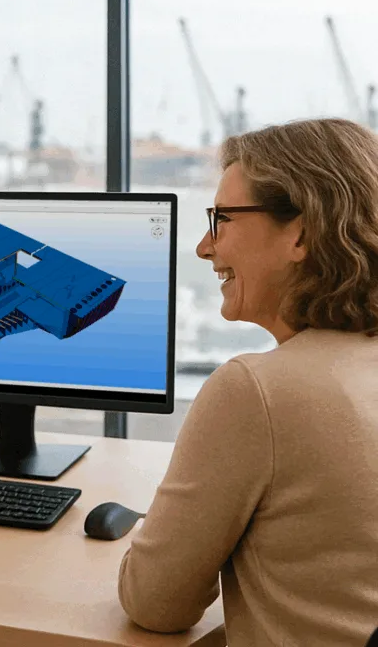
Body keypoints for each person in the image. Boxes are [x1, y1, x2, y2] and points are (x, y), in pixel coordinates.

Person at [118, 118, 378, 647]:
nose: (203, 248)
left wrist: (155, 535)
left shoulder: (257, 391)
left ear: (301, 233)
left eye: (222, 220)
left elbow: (155, 603)